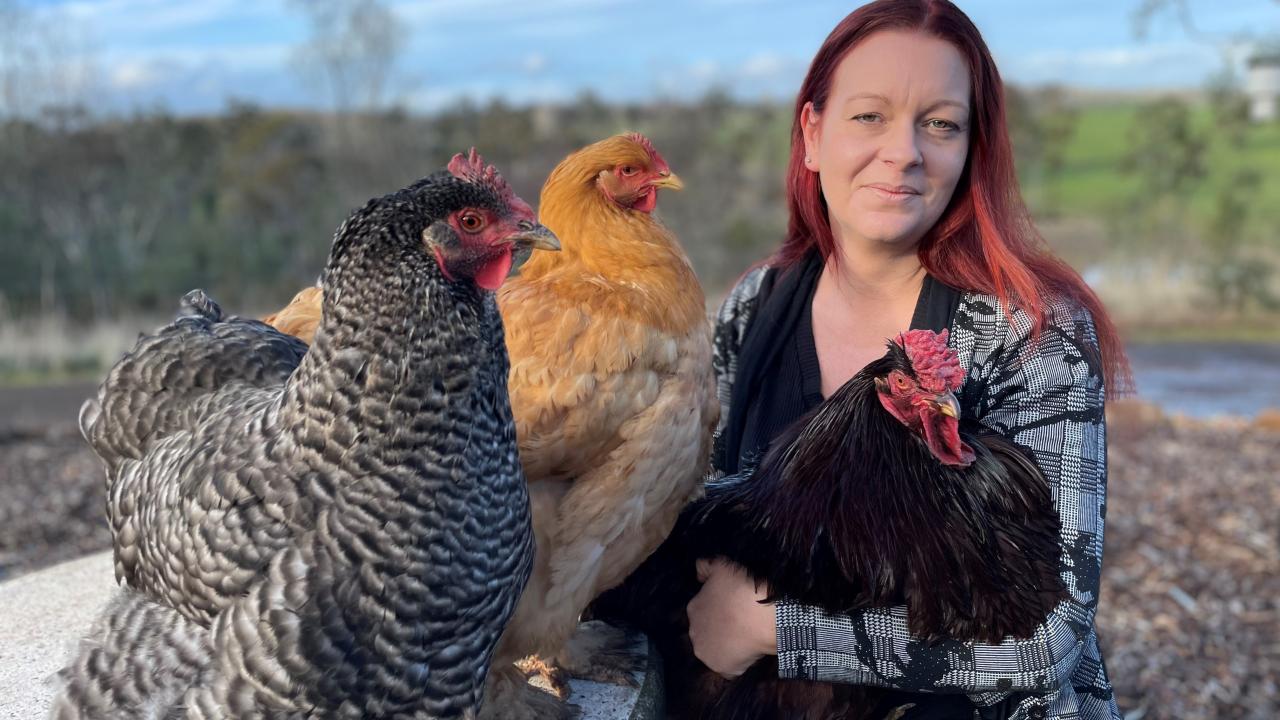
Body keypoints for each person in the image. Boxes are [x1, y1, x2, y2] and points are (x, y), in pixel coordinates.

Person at [684, 1, 1130, 718]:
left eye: (941, 123)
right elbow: (698, 514)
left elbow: (1051, 636)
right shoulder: (754, 307)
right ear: (812, 134)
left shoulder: (1033, 329)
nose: (904, 152)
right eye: (869, 116)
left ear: (970, 149)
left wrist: (771, 630)